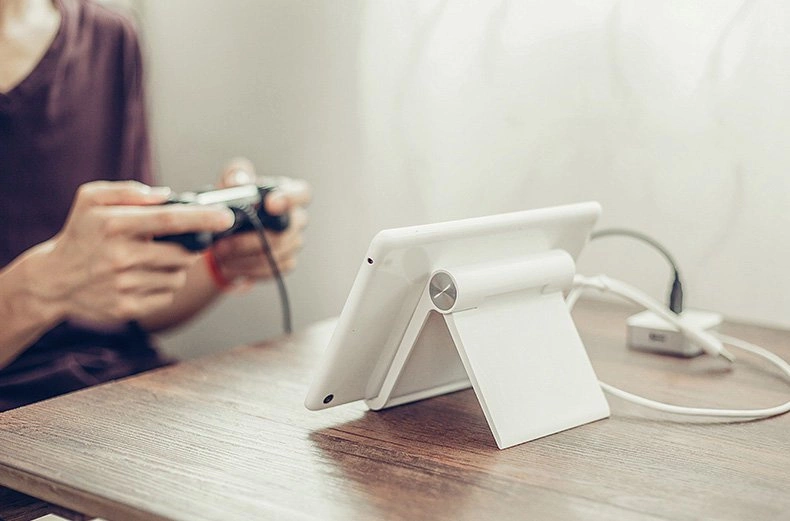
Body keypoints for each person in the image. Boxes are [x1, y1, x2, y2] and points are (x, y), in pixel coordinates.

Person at [0, 0, 310, 411]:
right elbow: (66, 281)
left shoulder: (110, 38)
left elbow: (128, 306)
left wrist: (221, 258)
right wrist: (43, 288)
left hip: (119, 391)